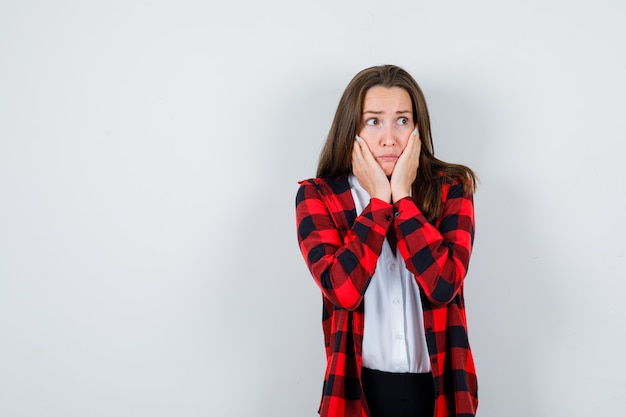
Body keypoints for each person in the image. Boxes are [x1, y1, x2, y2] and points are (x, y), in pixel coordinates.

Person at [295, 65, 478, 417]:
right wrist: (379, 202)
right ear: (351, 129)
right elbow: (343, 291)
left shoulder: (452, 188)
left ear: (418, 129)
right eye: (374, 121)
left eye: (402, 120)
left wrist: (404, 200)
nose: (390, 138)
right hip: (356, 391)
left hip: (441, 390)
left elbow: (444, 285)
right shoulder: (318, 197)